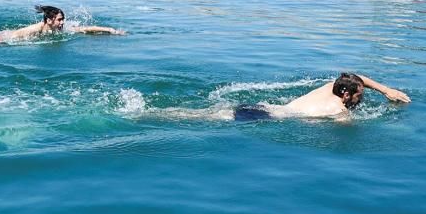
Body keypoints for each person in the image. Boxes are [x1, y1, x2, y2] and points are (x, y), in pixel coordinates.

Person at [161, 73, 410, 122]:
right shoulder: (339, 111)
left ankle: (154, 114)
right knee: (199, 118)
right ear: (346, 93)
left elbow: (359, 76)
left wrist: (386, 90)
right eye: (359, 94)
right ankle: (143, 115)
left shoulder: (328, 87)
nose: (361, 97)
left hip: (264, 107)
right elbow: (348, 126)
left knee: (202, 113)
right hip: (263, 116)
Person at [0, 5, 125, 44]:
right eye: (59, 19)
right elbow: (14, 37)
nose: (62, 22)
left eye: (63, 19)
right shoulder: (35, 29)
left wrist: (111, 30)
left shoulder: (63, 29)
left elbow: (86, 29)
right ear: (49, 20)